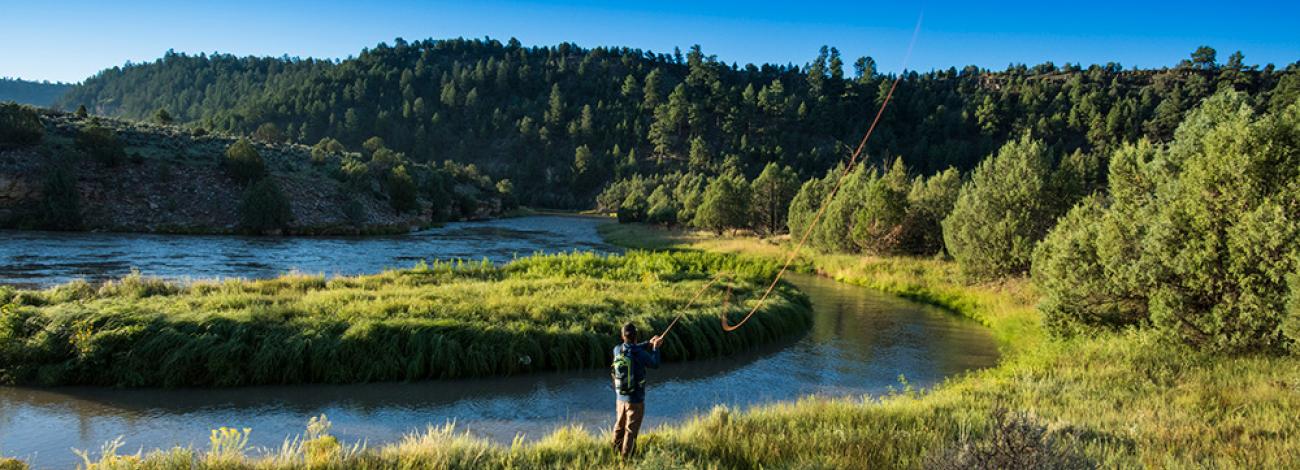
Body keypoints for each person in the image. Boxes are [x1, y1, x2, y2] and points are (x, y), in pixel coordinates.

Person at [611, 322, 664, 459]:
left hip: (620, 398)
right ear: (636, 336)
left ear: (623, 336)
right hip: (635, 401)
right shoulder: (640, 354)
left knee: (619, 426)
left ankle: (614, 453)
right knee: (630, 431)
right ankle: (625, 461)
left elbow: (631, 348)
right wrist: (655, 348)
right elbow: (655, 364)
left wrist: (648, 343)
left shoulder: (617, 350)